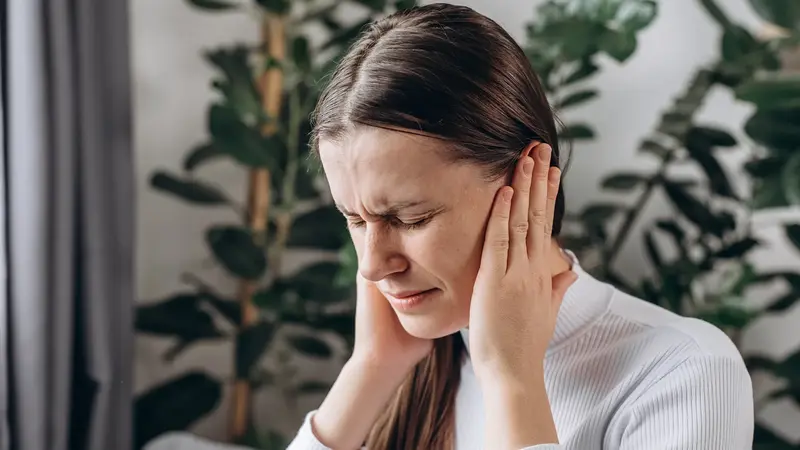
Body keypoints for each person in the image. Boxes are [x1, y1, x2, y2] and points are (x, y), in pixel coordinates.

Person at [286, 3, 754, 449]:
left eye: (411, 218)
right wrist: (369, 370)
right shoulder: (405, 365)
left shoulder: (682, 371)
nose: (371, 265)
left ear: (525, 176)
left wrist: (513, 380)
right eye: (355, 219)